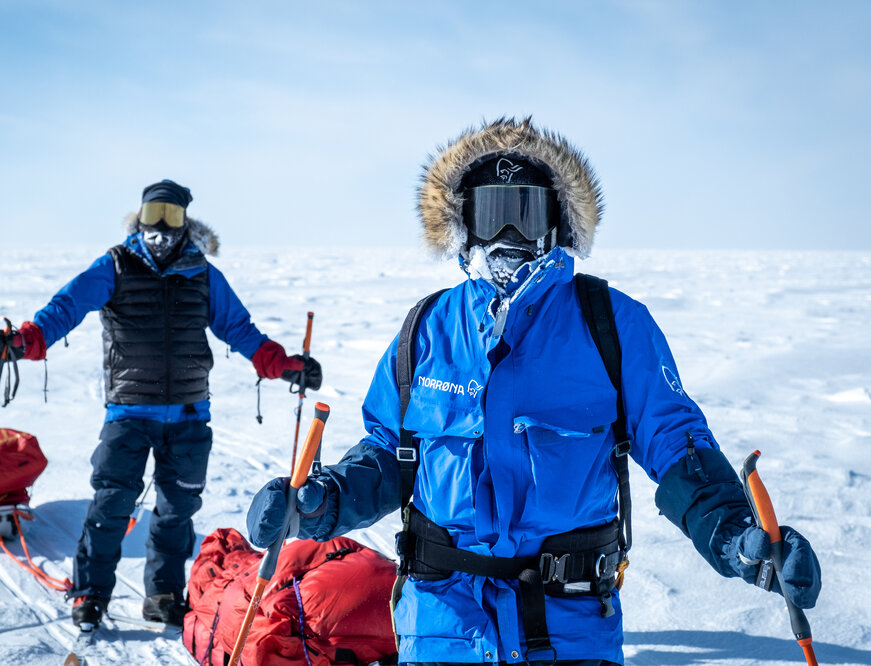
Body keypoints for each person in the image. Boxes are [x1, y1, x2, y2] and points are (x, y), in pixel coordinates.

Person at [245, 119, 820, 665]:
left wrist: (734, 534)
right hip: (444, 626)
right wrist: (320, 502)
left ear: (557, 222)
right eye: (491, 215)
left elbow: (678, 445)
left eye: (526, 212)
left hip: (573, 624)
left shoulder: (611, 325)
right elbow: (387, 454)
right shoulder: (426, 329)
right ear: (464, 225)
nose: (508, 234)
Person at [0, 179, 321, 630]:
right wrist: (25, 341)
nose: (162, 225)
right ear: (139, 216)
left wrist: (284, 366)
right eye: (154, 213)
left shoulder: (202, 274)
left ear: (187, 223)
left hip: (188, 414)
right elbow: (66, 307)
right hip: (128, 411)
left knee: (176, 511)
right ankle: (89, 594)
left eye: (173, 215)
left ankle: (162, 594)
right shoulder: (116, 266)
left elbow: (240, 330)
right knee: (110, 505)